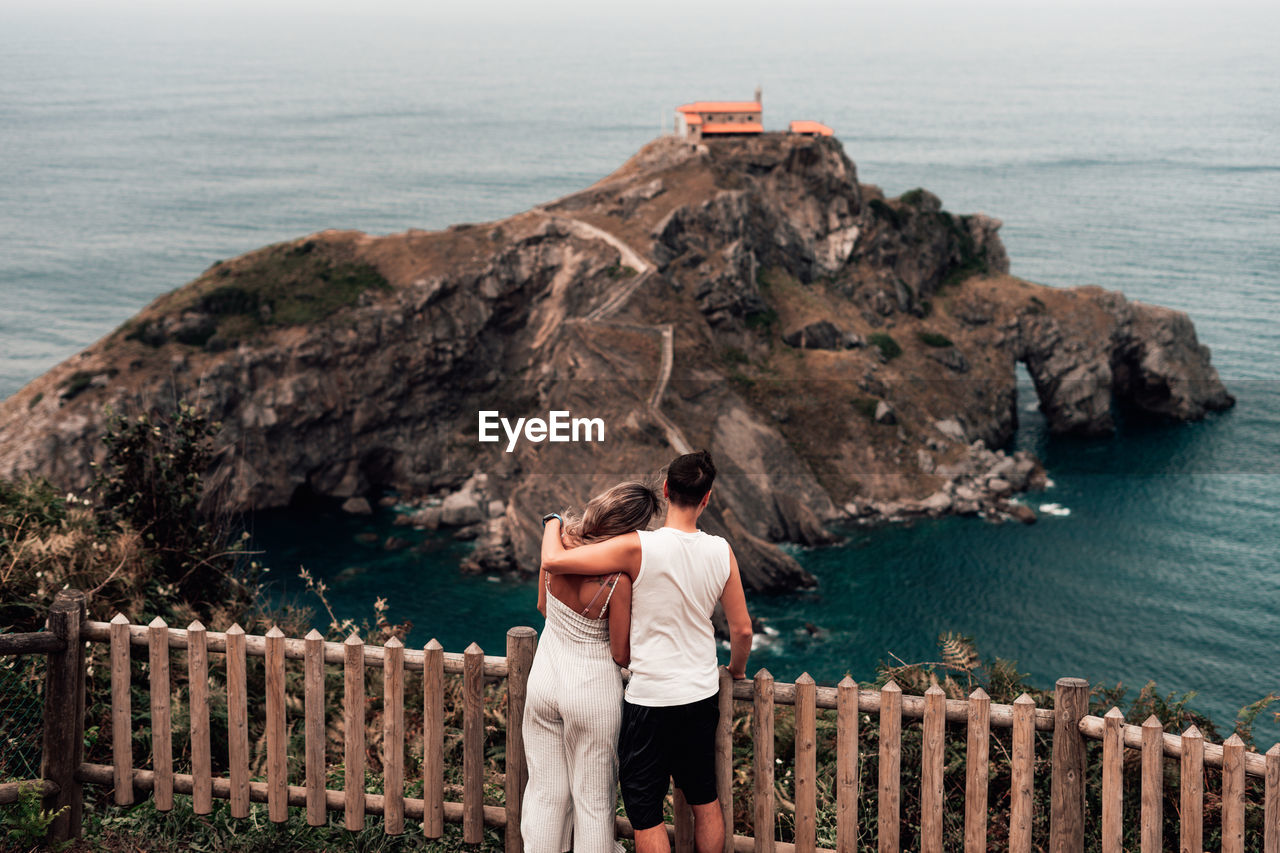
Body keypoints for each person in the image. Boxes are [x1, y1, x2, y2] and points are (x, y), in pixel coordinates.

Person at [541, 450, 753, 853]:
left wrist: (552, 521)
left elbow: (554, 561)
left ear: (666, 489)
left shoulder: (637, 547)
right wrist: (736, 671)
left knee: (646, 812)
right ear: (707, 498)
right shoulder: (722, 551)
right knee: (704, 798)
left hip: (650, 699)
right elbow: (741, 630)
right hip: (701, 694)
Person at [523, 481, 661, 853]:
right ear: (631, 530)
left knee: (545, 792)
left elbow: (542, 607)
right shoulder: (616, 579)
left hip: (544, 684)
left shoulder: (555, 546)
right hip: (592, 694)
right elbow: (620, 654)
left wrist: (553, 523)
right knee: (594, 802)